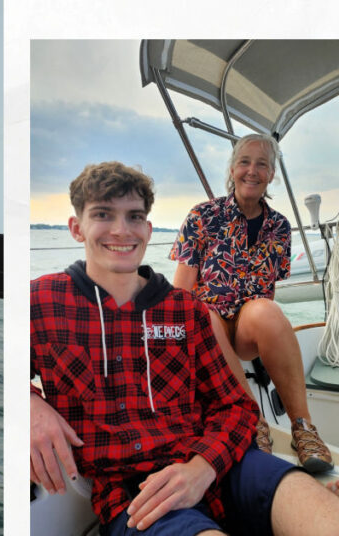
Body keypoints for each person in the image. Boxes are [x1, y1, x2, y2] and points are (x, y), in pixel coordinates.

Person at [30, 161, 339, 535]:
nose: (121, 229)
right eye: (103, 214)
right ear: (76, 227)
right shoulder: (40, 302)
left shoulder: (185, 309)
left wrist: (202, 467)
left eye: (134, 216)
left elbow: (236, 407)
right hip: (137, 496)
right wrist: (27, 402)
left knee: (314, 503)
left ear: (148, 229)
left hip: (220, 466)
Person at [169, 133, 332, 473]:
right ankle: (253, 423)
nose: (252, 171)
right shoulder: (203, 216)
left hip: (245, 330)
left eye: (262, 164)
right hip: (206, 331)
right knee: (202, 313)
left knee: (266, 310)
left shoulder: (279, 227)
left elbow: (268, 291)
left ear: (271, 174)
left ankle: (303, 429)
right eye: (244, 162)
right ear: (232, 169)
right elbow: (181, 294)